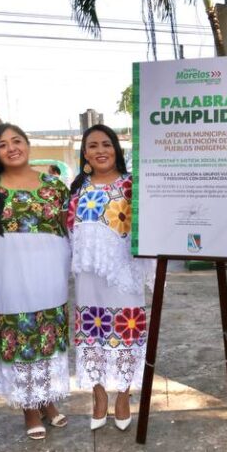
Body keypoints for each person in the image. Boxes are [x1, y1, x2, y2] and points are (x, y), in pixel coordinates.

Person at [0, 124, 71, 439]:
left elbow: (67, 227)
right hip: (7, 273)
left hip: (49, 273)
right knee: (19, 336)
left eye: (17, 141)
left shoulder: (55, 185)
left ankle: (47, 401)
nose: (11, 148)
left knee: (47, 334)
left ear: (27, 145)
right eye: (3, 144)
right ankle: (30, 408)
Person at [67, 125, 148, 430]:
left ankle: (124, 397)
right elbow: (68, 231)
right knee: (93, 332)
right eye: (93, 146)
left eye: (106, 144)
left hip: (124, 273)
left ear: (116, 149)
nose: (100, 150)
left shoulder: (132, 185)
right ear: (85, 154)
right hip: (89, 277)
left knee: (127, 333)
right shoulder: (77, 189)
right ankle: (99, 396)